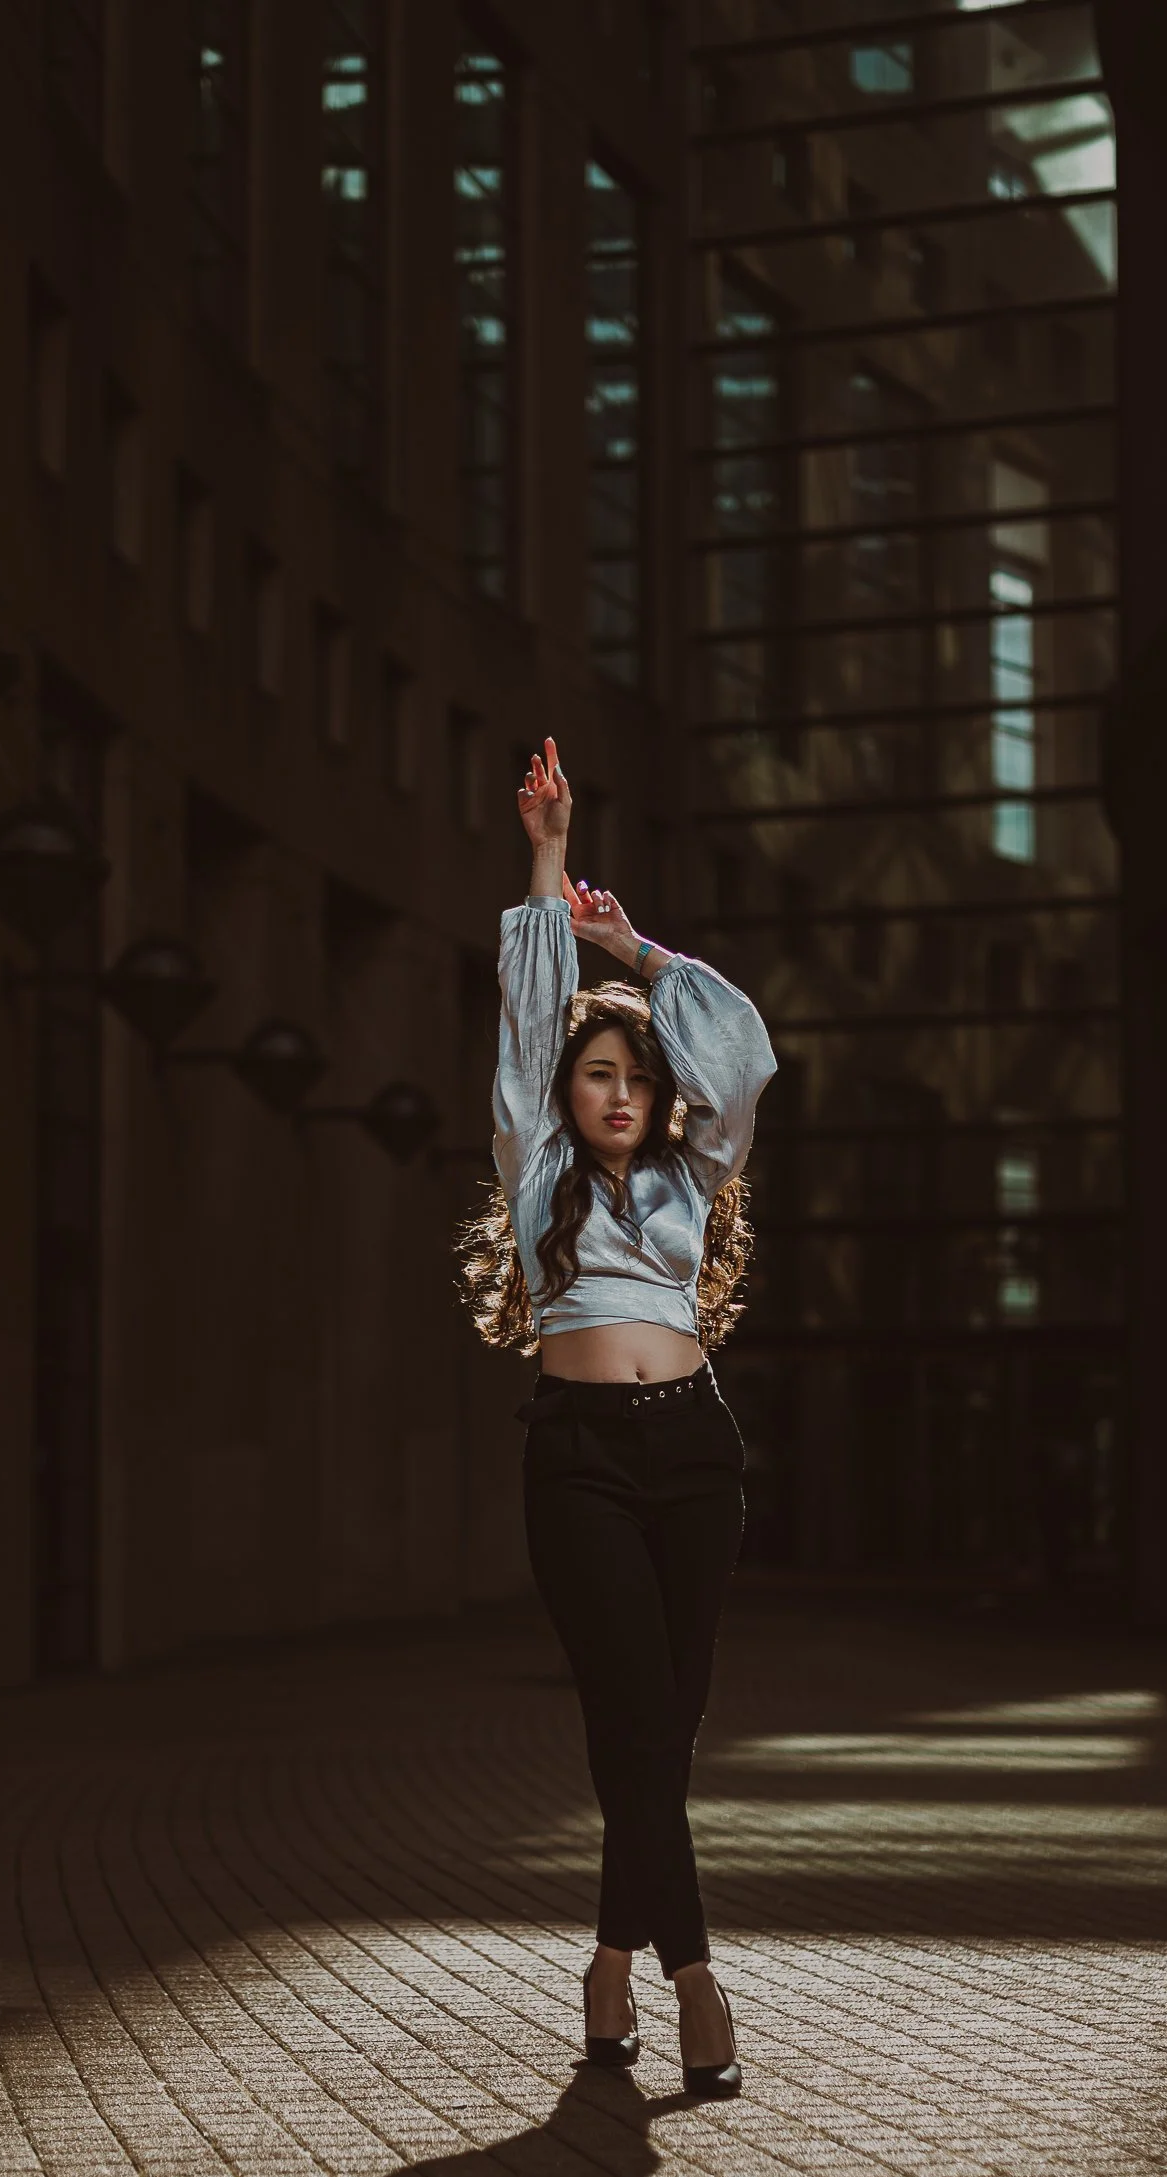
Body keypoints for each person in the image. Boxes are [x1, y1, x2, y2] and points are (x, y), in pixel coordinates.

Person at [458, 736, 778, 2097]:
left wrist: (637, 951)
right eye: (598, 1075)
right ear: (567, 1093)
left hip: (695, 1453)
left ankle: (605, 1960)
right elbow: (529, 1021)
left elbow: (745, 1057)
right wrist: (545, 854)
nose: (619, 1093)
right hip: (579, 1460)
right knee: (630, 1719)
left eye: (637, 1080)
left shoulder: (694, 1168)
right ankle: (695, 1980)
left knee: (666, 1727)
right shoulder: (534, 1169)